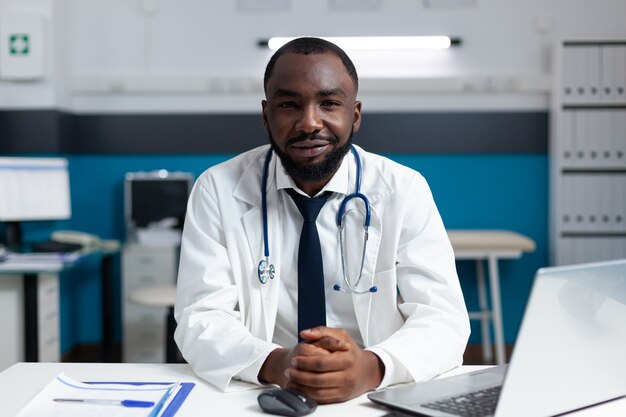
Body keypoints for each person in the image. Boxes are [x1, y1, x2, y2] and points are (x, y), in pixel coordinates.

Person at [174, 37, 470, 404]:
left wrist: (372, 366)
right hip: (262, 388)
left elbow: (444, 319)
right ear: (267, 116)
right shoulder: (218, 189)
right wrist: (280, 363)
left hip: (377, 391)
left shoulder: (402, 190)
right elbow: (199, 319)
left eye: (329, 103)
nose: (310, 122)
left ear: (355, 115)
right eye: (288, 105)